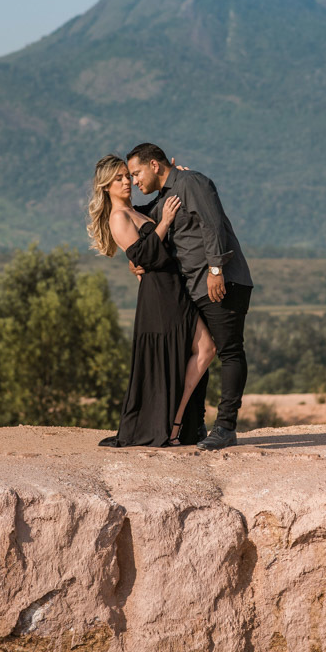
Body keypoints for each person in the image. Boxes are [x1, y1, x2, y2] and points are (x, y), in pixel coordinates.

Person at [126, 143, 253, 451]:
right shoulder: (165, 196)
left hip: (220, 282)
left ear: (155, 165)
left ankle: (226, 428)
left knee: (230, 352)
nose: (134, 181)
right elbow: (147, 221)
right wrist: (116, 203)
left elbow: (212, 224)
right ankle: (196, 426)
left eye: (136, 173)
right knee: (198, 353)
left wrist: (215, 269)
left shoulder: (191, 182)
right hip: (194, 287)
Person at [87, 154, 216, 447]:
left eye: (127, 176)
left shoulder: (135, 211)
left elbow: (159, 209)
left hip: (172, 288)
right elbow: (142, 256)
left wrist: (175, 179)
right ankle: (173, 425)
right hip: (158, 294)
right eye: (119, 178)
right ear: (106, 186)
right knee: (205, 348)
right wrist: (166, 221)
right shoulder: (117, 217)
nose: (127, 182)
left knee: (199, 351)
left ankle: (176, 424)